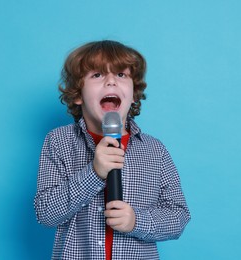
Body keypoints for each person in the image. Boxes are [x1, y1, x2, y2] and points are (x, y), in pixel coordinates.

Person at [34, 40, 191, 260]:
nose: (110, 82)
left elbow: (178, 217)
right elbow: (46, 213)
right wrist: (94, 173)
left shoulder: (155, 151)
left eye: (121, 75)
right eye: (97, 75)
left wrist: (136, 221)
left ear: (134, 93)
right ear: (78, 94)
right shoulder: (59, 141)